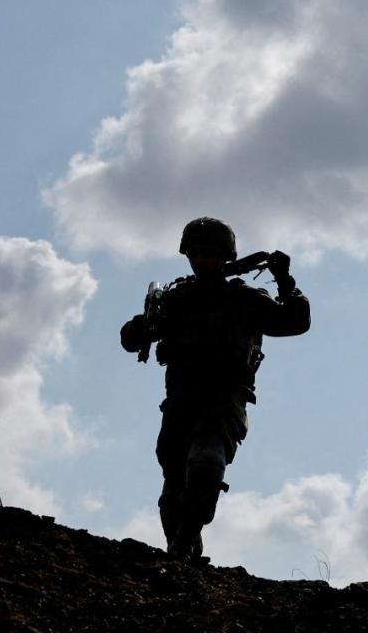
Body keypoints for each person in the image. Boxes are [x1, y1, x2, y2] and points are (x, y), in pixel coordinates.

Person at [119, 217, 310, 563]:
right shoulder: (177, 299)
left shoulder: (244, 298)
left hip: (225, 397)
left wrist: (285, 281)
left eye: (210, 254)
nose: (203, 261)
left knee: (206, 464)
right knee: (174, 489)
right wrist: (148, 324)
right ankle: (183, 548)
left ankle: (184, 542)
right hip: (180, 401)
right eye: (196, 254)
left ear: (225, 256)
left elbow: (295, 322)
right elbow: (130, 339)